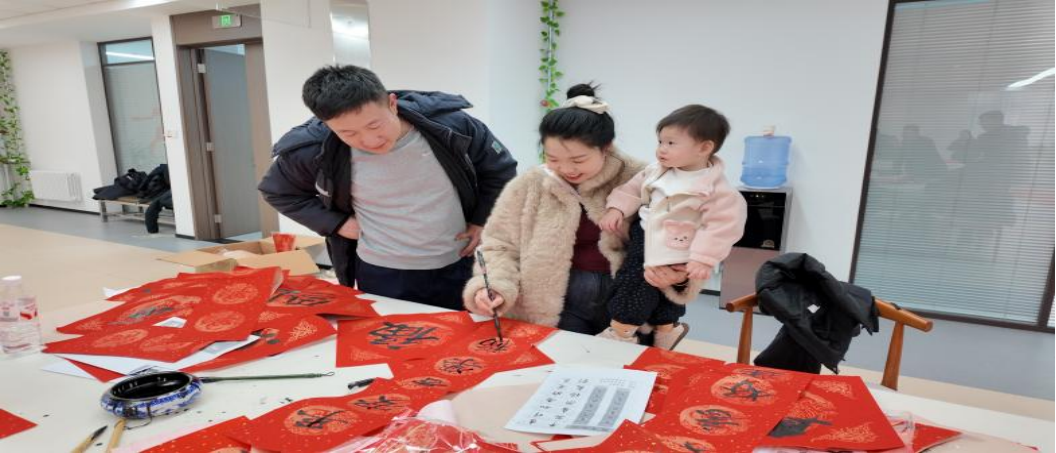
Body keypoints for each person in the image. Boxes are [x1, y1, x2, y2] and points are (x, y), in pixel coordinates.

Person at [258, 65, 517, 310]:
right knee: (394, 335)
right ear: (327, 125)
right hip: (382, 272)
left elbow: (500, 170)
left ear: (392, 103)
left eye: (375, 125)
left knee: (463, 336)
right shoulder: (314, 148)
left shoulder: (451, 126)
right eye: (349, 133)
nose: (370, 140)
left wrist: (482, 219)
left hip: (457, 262)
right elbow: (278, 191)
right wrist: (337, 224)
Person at [463, 84, 693, 334]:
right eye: (552, 159)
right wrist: (494, 285)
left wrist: (679, 276)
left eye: (578, 160)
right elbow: (499, 245)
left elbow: (686, 239)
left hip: (629, 301)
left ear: (606, 147)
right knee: (560, 356)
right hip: (554, 303)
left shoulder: (644, 179)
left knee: (623, 357)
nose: (566, 169)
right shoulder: (531, 184)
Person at [597, 104, 747, 349]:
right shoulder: (655, 171)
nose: (661, 149)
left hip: (680, 244)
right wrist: (617, 208)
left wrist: (704, 258)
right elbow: (631, 190)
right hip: (645, 236)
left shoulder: (717, 189)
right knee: (640, 281)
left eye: (671, 143)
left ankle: (622, 331)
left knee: (649, 285)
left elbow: (721, 227)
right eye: (660, 142)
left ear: (704, 148)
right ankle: (667, 330)